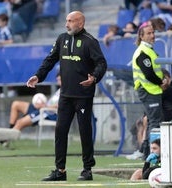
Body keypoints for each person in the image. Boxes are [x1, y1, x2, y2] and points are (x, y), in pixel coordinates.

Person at [26, 11, 107, 181]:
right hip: (65, 95)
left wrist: (93, 77)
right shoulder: (62, 39)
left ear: (81, 23)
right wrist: (38, 76)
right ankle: (60, 171)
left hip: (83, 95)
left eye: (70, 21)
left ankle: (87, 169)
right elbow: (50, 59)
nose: (66, 24)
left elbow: (101, 63)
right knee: (60, 131)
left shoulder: (90, 42)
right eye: (66, 20)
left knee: (85, 131)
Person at [0, 74, 61, 148]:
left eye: (60, 80)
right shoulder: (59, 90)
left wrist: (45, 106)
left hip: (48, 113)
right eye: (57, 79)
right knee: (16, 104)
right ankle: (10, 131)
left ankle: (2, 141)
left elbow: (62, 105)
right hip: (44, 108)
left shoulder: (66, 91)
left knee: (20, 122)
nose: (58, 81)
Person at [132, 21, 168, 160]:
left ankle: (145, 151)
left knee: (152, 121)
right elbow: (148, 74)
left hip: (152, 90)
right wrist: (161, 83)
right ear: (141, 36)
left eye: (153, 33)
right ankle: (151, 155)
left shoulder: (148, 50)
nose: (153, 35)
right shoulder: (143, 52)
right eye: (149, 33)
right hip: (149, 90)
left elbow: (154, 70)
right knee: (155, 122)